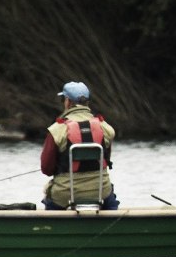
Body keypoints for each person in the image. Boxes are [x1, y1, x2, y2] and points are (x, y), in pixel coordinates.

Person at [40, 81, 120, 210]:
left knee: (51, 200)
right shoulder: (105, 128)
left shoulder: (57, 130)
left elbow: (46, 169)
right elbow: (105, 160)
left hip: (64, 194)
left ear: (67, 101)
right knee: (111, 201)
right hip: (100, 191)